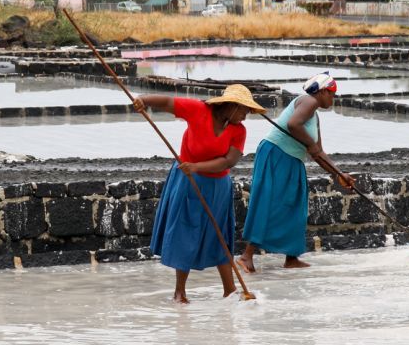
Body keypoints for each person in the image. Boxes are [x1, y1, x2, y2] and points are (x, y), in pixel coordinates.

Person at [133, 84, 266, 303]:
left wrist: (197, 167)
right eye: (244, 110)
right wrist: (143, 100)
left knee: (220, 234)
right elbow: (167, 103)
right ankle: (179, 292)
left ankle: (230, 290)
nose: (245, 116)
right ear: (232, 106)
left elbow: (229, 161)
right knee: (186, 230)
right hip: (188, 182)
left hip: (217, 186)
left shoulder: (238, 130)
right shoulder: (198, 110)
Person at [237, 72, 355, 273]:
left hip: (293, 160)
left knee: (296, 206)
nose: (333, 99)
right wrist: (311, 146)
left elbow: (318, 153)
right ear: (324, 91)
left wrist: (338, 174)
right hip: (276, 155)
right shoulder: (308, 101)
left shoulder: (314, 116)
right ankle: (246, 256)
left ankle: (291, 257)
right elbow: (293, 125)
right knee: (270, 202)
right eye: (332, 94)